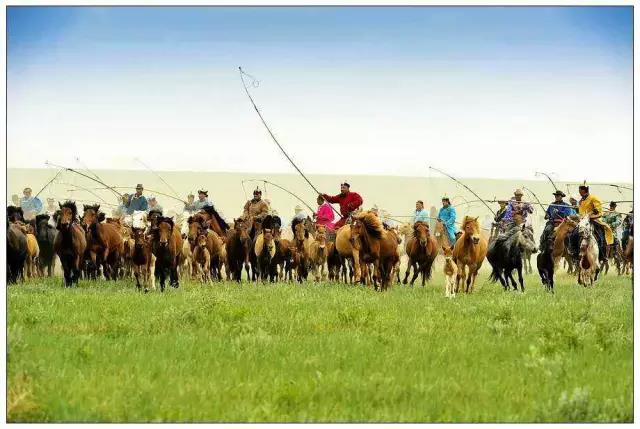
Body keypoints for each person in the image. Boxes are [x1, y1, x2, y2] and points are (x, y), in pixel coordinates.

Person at [575, 182, 614, 263]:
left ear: (584, 190)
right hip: (582, 222)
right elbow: (580, 212)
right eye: (579, 190)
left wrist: (590, 216)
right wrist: (578, 212)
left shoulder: (593, 198)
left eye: (580, 190)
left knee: (600, 236)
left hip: (594, 221)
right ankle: (573, 252)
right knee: (573, 234)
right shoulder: (581, 201)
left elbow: (599, 212)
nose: (579, 192)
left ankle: (603, 255)